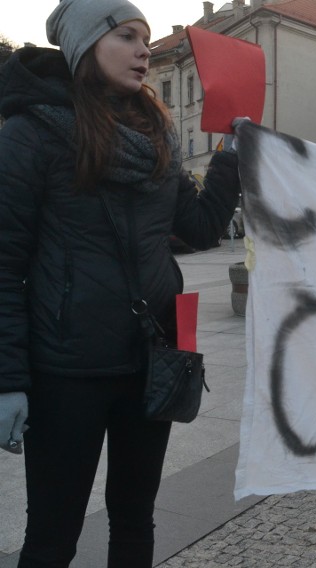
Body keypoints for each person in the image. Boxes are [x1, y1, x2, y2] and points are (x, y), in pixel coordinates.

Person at [0, 1, 242, 565]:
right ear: (87, 46)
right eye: (129, 37)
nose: (144, 51)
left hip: (152, 361)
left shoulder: (154, 131)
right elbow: (4, 265)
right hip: (66, 372)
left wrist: (231, 159)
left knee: (135, 519)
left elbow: (200, 226)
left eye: (147, 38)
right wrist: (9, 377)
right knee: (53, 535)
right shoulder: (28, 135)